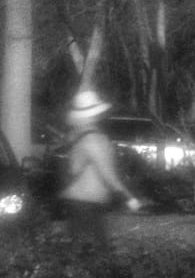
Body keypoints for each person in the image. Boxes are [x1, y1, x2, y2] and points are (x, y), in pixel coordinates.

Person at [58, 88, 142, 249]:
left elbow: (74, 170)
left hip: (80, 204)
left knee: (85, 254)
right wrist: (130, 198)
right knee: (93, 254)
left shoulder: (80, 138)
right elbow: (108, 175)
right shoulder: (93, 140)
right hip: (86, 206)